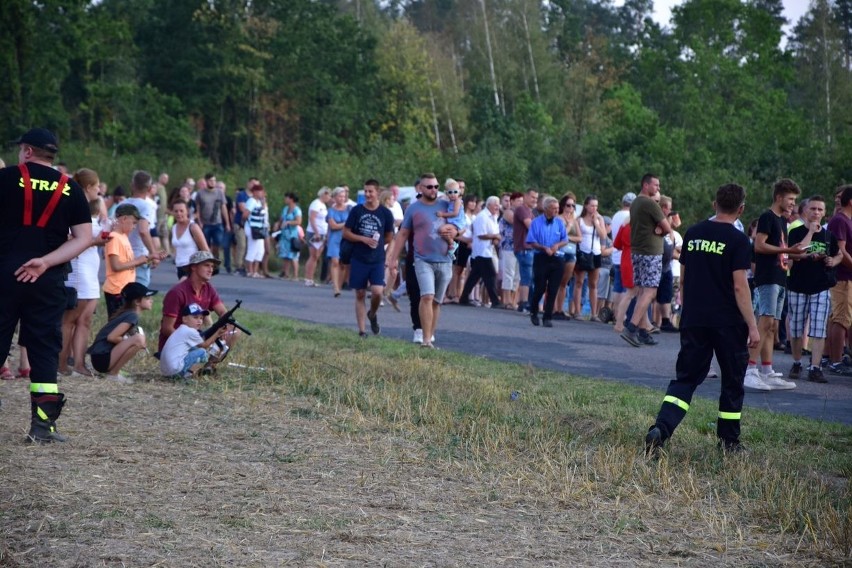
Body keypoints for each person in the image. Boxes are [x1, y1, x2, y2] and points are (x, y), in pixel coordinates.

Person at [645, 183, 760, 456]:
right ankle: (729, 442)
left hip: (694, 318)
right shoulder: (739, 240)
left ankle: (662, 427)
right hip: (728, 321)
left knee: (685, 378)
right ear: (741, 209)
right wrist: (753, 325)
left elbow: (683, 279)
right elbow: (740, 287)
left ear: (714, 204)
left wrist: (687, 311)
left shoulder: (694, 233)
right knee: (732, 380)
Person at [0, 128, 92, 442]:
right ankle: (42, 427)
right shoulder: (72, 189)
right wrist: (46, 261)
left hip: (5, 275)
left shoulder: (6, 178)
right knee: (43, 352)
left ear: (26, 151)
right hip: (47, 280)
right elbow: (83, 239)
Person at [743, 179, 804, 390]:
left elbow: (781, 248)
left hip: (779, 277)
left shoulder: (782, 221)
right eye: (790, 199)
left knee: (772, 326)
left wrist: (792, 254)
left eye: (794, 200)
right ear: (779, 197)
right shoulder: (767, 217)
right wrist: (786, 251)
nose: (792, 204)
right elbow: (759, 246)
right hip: (767, 277)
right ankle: (749, 369)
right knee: (764, 322)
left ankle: (766, 370)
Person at [386, 173, 459, 349]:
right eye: (429, 187)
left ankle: (430, 335)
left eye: (436, 186)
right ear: (420, 188)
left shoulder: (446, 204)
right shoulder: (413, 208)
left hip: (445, 259)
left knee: (436, 302)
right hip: (422, 259)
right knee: (426, 296)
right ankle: (425, 340)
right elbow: (403, 234)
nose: (433, 190)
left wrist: (455, 233)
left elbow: (459, 225)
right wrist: (393, 258)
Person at [59, 168, 111, 376]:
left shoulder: (89, 206)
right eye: (97, 186)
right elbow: (69, 237)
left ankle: (79, 363)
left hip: (90, 267)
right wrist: (95, 241)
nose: (99, 190)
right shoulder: (71, 204)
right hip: (78, 268)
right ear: (88, 187)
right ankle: (62, 363)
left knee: (86, 319)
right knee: (69, 319)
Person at [786, 195, 841, 383]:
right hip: (798, 285)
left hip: (821, 286)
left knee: (819, 329)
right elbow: (796, 251)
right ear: (805, 211)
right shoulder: (795, 231)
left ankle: (815, 367)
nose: (816, 212)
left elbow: (838, 253)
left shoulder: (828, 235)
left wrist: (834, 260)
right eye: (813, 209)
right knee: (796, 328)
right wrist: (810, 233)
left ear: (824, 213)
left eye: (820, 209)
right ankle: (797, 362)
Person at [157, 251, 241, 362]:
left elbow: (222, 312)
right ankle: (192, 364)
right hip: (176, 344)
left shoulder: (208, 288)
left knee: (234, 329)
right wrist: (192, 342)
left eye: (212, 266)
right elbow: (167, 328)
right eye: (206, 265)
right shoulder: (177, 292)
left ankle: (210, 365)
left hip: (197, 337)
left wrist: (224, 325)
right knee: (199, 351)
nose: (211, 270)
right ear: (193, 267)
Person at [621, 174, 672, 347]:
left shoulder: (635, 202)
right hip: (651, 252)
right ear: (646, 185)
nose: (658, 188)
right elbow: (667, 228)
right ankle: (632, 328)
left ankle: (642, 331)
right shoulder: (650, 204)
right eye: (655, 185)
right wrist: (661, 230)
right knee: (650, 292)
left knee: (643, 291)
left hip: (637, 251)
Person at [343, 179, 396, 337]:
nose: (367, 194)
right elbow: (346, 232)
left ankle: (372, 314)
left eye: (370, 191)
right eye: (365, 191)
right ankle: (362, 331)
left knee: (377, 292)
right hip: (358, 257)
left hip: (377, 258)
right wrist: (362, 239)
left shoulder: (385, 213)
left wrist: (381, 248)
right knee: (359, 293)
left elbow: (389, 237)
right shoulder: (357, 210)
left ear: (377, 193)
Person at [87, 282, 156, 384]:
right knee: (139, 339)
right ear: (137, 301)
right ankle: (113, 375)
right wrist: (129, 341)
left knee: (138, 339)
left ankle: (113, 372)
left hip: (100, 358)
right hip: (102, 359)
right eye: (147, 298)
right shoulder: (132, 315)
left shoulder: (128, 313)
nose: (151, 300)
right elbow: (112, 337)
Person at [526, 196, 569, 328]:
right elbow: (531, 241)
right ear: (546, 209)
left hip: (557, 258)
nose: (556, 211)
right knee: (540, 287)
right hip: (541, 257)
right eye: (553, 208)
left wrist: (557, 245)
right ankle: (533, 310)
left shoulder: (559, 223)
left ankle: (547, 316)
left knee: (553, 288)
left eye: (557, 208)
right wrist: (543, 247)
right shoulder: (536, 222)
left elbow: (565, 239)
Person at [103, 204, 151, 318]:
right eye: (133, 223)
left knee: (125, 324)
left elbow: (126, 261)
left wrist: (149, 258)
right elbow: (116, 266)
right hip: (116, 290)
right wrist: (138, 261)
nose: (134, 227)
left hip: (124, 289)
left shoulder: (123, 236)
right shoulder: (114, 237)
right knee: (117, 325)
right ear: (124, 218)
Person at [159, 303, 229, 379]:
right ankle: (188, 375)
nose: (199, 321)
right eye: (195, 317)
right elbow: (205, 345)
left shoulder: (181, 329)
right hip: (175, 371)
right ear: (184, 319)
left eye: (201, 318)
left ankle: (186, 372)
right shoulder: (190, 331)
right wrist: (217, 333)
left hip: (166, 372)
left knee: (194, 349)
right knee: (202, 352)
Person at [825, 185, 852, 376]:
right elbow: (841, 250)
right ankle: (835, 361)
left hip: (849, 278)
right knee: (841, 318)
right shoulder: (840, 220)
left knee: (846, 318)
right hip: (842, 277)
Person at [122, 170, 165, 287]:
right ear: (150, 188)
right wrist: (153, 253)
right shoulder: (146, 206)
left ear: (132, 185)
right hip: (138, 256)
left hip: (121, 255)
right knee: (138, 296)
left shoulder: (122, 204)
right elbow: (143, 231)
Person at [459, 196, 502, 308]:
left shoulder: (494, 217)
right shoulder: (482, 217)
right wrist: (495, 236)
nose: (497, 206)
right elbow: (481, 234)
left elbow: (496, 233)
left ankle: (463, 297)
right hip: (481, 251)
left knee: (474, 276)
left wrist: (496, 238)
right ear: (489, 205)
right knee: (491, 275)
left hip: (488, 249)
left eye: (498, 204)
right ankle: (495, 300)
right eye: (495, 204)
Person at [573, 195, 609, 322]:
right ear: (586, 206)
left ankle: (594, 314)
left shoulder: (599, 219)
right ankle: (577, 311)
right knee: (579, 282)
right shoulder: (579, 220)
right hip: (583, 252)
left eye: (596, 206)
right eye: (592, 205)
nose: (594, 208)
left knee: (593, 284)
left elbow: (603, 235)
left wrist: (596, 223)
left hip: (596, 253)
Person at [513, 188, 539, 313]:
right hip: (524, 248)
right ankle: (523, 303)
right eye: (532, 197)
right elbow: (531, 226)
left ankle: (527, 303)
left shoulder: (530, 212)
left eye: (536, 198)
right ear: (526, 196)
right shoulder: (522, 209)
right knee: (526, 277)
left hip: (529, 248)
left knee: (529, 277)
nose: (535, 200)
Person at [195, 173, 231, 262]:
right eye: (211, 180)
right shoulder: (200, 193)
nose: (213, 182)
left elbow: (223, 208)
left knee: (217, 243)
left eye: (214, 180)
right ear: (206, 181)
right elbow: (198, 209)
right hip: (205, 223)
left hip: (217, 223)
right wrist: (199, 221)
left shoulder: (219, 193)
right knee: (205, 244)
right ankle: (205, 261)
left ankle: (215, 259)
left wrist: (227, 223)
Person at [170, 200, 209, 280]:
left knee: (180, 289)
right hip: (179, 266)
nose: (178, 213)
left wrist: (206, 269)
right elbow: (177, 247)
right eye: (176, 211)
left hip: (192, 267)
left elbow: (205, 249)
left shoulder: (193, 227)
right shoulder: (174, 227)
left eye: (181, 211)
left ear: (187, 211)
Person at [498, 192, 523, 310]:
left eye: (522, 201)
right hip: (508, 247)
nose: (521, 203)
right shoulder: (508, 212)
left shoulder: (521, 213)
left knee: (517, 276)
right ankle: (506, 300)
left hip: (519, 247)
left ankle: (512, 301)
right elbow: (515, 222)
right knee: (509, 274)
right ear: (512, 201)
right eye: (518, 201)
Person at [326, 186, 352, 296]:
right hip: (334, 239)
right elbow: (333, 226)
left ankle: (340, 285)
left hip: (346, 239)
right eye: (339, 196)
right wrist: (345, 224)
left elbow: (353, 224)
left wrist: (342, 225)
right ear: (335, 197)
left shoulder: (349, 209)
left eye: (343, 196)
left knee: (343, 264)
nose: (342, 198)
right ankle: (335, 287)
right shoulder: (331, 210)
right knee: (335, 261)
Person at [304, 187, 331, 286]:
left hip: (322, 232)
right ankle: (308, 278)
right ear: (324, 194)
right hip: (314, 232)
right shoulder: (316, 204)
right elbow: (312, 218)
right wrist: (316, 232)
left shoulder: (323, 205)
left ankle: (311, 278)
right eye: (328, 195)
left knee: (317, 256)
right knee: (313, 255)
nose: (329, 197)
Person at [275, 192, 303, 280]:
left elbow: (298, 222)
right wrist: (277, 223)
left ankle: (295, 275)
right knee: (285, 254)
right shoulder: (285, 209)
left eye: (286, 198)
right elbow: (281, 218)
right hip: (284, 234)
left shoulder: (296, 210)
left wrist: (289, 222)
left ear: (291, 199)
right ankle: (285, 273)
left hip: (292, 234)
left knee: (293, 255)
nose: (285, 200)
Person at [244, 183, 268, 278]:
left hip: (259, 229)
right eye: (259, 191)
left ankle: (255, 270)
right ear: (254, 192)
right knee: (252, 248)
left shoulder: (259, 202)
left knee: (260, 250)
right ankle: (250, 270)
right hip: (252, 228)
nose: (261, 193)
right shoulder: (251, 201)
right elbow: (245, 214)